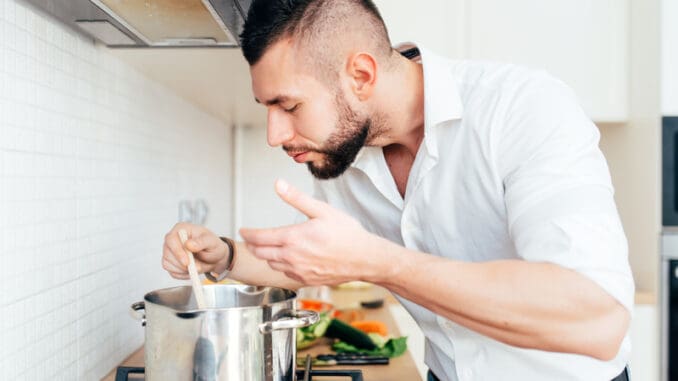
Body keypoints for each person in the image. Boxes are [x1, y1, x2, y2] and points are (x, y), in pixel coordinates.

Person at [161, 1, 634, 380]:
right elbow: (315, 259)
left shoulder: (522, 108)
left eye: (289, 106)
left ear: (361, 76)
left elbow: (598, 321)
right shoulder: (344, 153)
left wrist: (379, 261)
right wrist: (223, 255)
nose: (275, 134)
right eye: (268, 107)